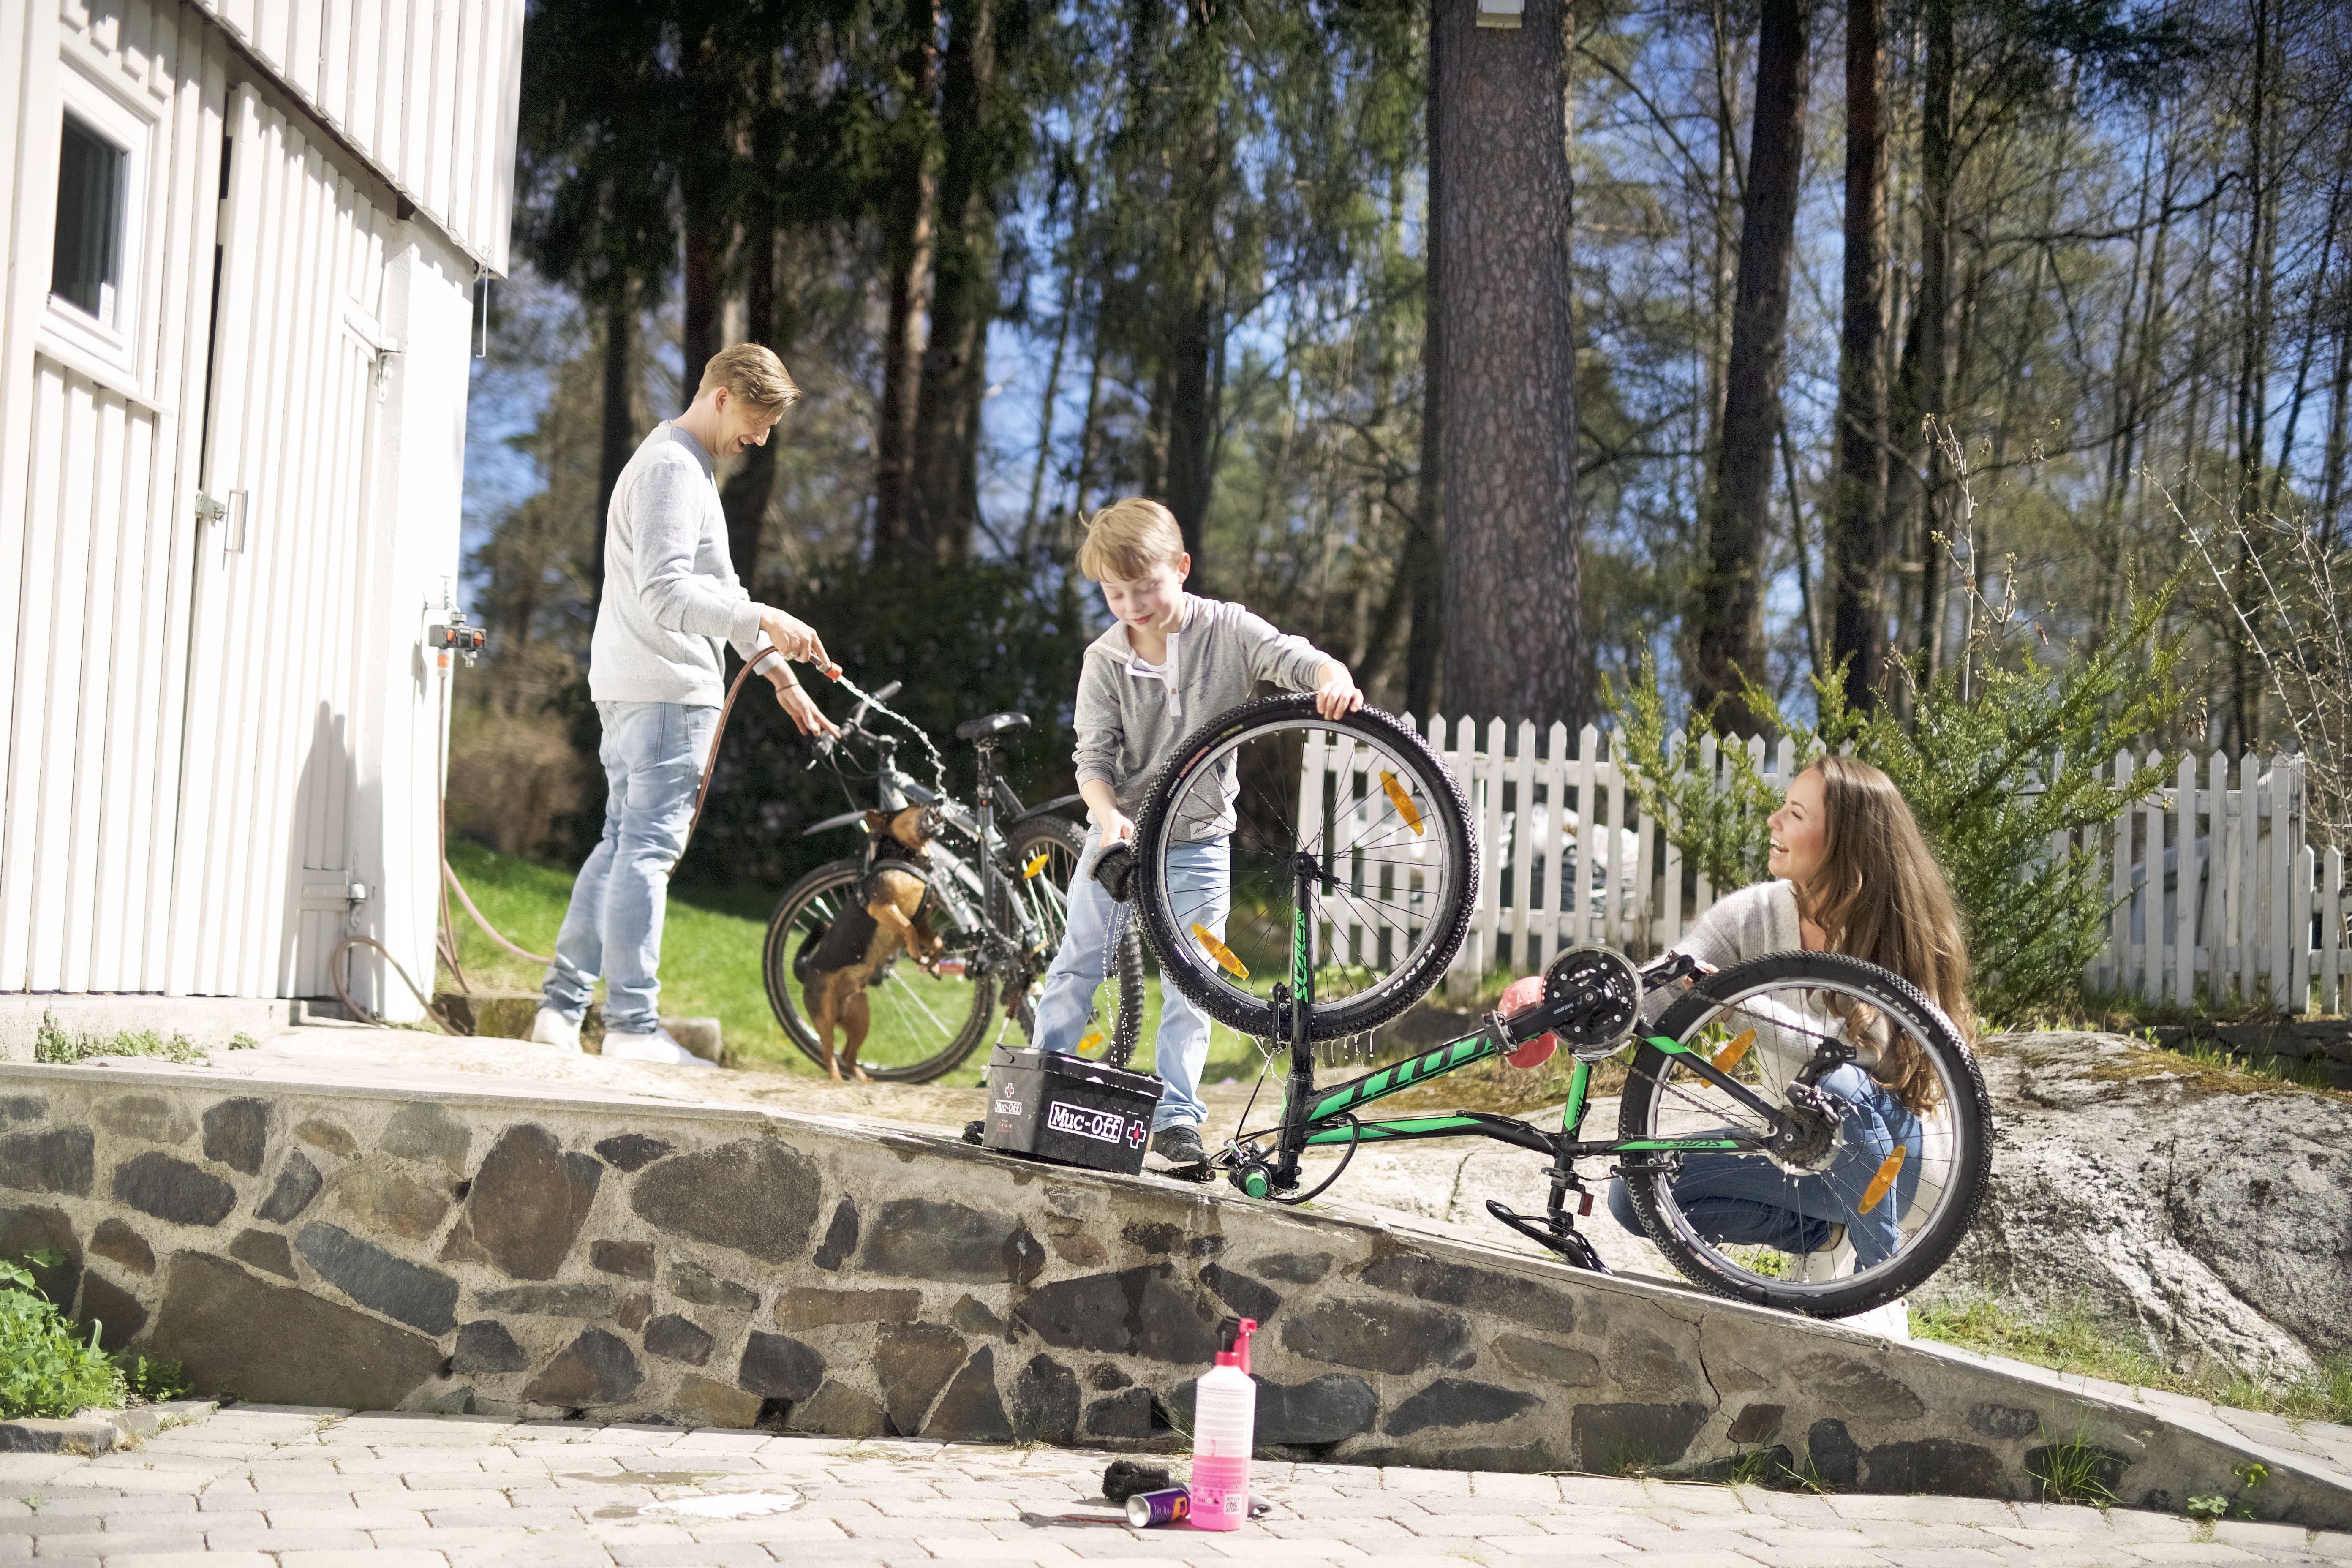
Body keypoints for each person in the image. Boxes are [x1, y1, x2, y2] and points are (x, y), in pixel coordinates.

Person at [1502, 754, 1971, 1278]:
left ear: (1844, 840)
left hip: (1904, 1165)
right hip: (1803, 1147)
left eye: (1795, 813)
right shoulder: (1755, 913)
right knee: (1635, 1194)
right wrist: (1563, 1005)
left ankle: (1879, 1279)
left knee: (1835, 1085)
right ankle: (1827, 1236)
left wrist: (1731, 1003)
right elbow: (1660, 989)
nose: (1774, 820)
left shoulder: (1896, 930)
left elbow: (1864, 1055)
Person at [1031, 498, 1363, 1173]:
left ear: (1181, 568)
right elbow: (1092, 758)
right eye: (1115, 593)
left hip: (1201, 842)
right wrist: (1105, 816)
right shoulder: (1104, 659)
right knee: (1078, 964)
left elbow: (1297, 660)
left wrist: (1334, 677)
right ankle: (1035, 1090)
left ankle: (1177, 1119)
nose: (1133, 604)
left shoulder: (1229, 631)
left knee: (1194, 982)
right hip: (1119, 835)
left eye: (1146, 586)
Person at [531, 345, 841, 1066]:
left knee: (618, 845)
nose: (759, 440)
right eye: (758, 422)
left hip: (632, 685)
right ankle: (633, 1027)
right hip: (665, 690)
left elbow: (720, 592)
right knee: (645, 849)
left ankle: (561, 1008)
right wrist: (765, 617)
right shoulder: (674, 467)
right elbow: (667, 594)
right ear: (725, 394)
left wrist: (780, 677)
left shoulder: (677, 465)